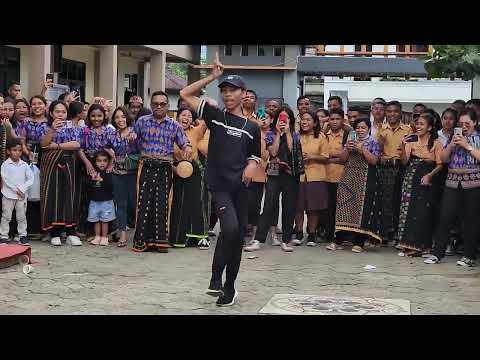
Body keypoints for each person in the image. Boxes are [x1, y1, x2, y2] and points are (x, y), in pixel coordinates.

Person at [180, 54, 261, 306]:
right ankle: (215, 277)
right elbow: (185, 94)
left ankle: (229, 287)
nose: (227, 95)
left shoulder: (252, 127)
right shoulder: (215, 114)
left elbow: (255, 156)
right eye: (224, 90)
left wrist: (251, 165)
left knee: (236, 238)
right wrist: (212, 76)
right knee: (231, 229)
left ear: (243, 94)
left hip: (241, 187)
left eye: (232, 91)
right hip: (219, 184)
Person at [133, 91, 192, 253]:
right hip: (146, 165)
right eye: (155, 103)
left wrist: (187, 148)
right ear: (151, 105)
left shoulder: (175, 125)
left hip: (165, 167)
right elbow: (132, 140)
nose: (159, 106)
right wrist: (130, 138)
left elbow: (184, 143)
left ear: (167, 106)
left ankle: (160, 242)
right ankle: (141, 242)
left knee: (162, 204)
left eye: (162, 104)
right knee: (143, 204)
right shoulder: (142, 121)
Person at [424, 109, 480, 267]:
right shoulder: (452, 137)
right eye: (461, 124)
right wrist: (452, 145)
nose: (463, 126)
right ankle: (437, 253)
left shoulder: (478, 138)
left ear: (474, 123)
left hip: (473, 184)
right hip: (452, 183)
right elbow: (443, 158)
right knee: (445, 217)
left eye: (467, 123)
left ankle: (469, 256)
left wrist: (466, 145)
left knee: (470, 220)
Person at [245, 106, 302, 253]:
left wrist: (287, 131)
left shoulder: (295, 134)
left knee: (289, 207)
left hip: (291, 174)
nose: (283, 120)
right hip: (274, 173)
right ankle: (258, 240)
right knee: (269, 205)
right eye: (281, 118)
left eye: (286, 118)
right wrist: (278, 133)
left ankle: (286, 240)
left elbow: (291, 150)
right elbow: (273, 151)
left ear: (290, 120)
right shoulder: (270, 134)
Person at [396, 112, 443, 257]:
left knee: (422, 211)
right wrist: (403, 146)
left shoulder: (436, 142)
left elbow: (440, 164)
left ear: (429, 127)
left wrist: (429, 175)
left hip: (426, 178)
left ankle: (421, 245)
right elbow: (404, 161)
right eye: (417, 124)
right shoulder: (411, 140)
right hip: (410, 177)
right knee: (407, 209)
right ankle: (406, 243)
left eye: (422, 124)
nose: (418, 126)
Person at [334, 117, 382, 252]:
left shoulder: (372, 142)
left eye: (363, 128)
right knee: (344, 207)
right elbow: (342, 160)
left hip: (365, 178)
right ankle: (338, 240)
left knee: (360, 209)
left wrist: (362, 150)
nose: (360, 130)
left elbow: (374, 161)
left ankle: (359, 243)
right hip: (348, 177)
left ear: (368, 129)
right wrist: (347, 149)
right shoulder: (350, 140)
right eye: (358, 128)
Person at [39, 100, 83, 246]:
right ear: (51, 113)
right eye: (57, 112)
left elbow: (76, 144)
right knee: (53, 196)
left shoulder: (71, 126)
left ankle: (70, 231)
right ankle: (55, 232)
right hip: (51, 166)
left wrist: (57, 146)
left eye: (63, 112)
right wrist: (52, 130)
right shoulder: (45, 126)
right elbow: (44, 145)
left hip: (70, 165)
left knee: (69, 196)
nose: (60, 115)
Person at [169, 107, 208, 249]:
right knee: (178, 204)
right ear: (177, 117)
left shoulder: (196, 131)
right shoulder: (170, 131)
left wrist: (197, 121)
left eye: (189, 116)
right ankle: (179, 237)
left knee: (196, 202)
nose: (186, 118)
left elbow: (208, 121)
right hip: (176, 170)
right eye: (183, 115)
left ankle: (200, 237)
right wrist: (175, 169)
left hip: (194, 170)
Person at [376, 100, 411, 246]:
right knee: (383, 201)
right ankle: (384, 233)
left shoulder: (408, 130)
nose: (392, 114)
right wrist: (381, 142)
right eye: (389, 111)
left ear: (400, 113)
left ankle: (397, 233)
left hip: (400, 167)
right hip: (384, 168)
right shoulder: (381, 129)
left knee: (397, 201)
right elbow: (376, 151)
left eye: (395, 111)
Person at [15, 95, 50, 238]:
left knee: (43, 193)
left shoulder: (50, 123)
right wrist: (27, 153)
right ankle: (27, 229)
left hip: (46, 159)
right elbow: (21, 140)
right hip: (27, 158)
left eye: (40, 103)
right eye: (34, 104)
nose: (37, 106)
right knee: (27, 194)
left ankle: (43, 229)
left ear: (45, 105)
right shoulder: (25, 122)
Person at [294, 110, 329, 246]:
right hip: (299, 176)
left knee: (313, 208)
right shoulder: (296, 136)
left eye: (308, 120)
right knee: (298, 206)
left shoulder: (321, 137)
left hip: (316, 176)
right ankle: (298, 232)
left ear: (315, 123)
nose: (304, 122)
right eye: (303, 119)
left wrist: (312, 157)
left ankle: (312, 234)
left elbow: (326, 157)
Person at [245, 108, 277, 244]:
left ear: (272, 120)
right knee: (254, 204)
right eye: (261, 117)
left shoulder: (274, 134)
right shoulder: (252, 133)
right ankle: (254, 234)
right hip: (256, 174)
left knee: (272, 204)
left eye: (267, 117)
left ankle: (273, 234)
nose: (264, 120)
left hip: (273, 173)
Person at [109, 106, 139, 247]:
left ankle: (140, 232)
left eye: (122, 116)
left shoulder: (135, 132)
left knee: (134, 203)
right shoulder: (112, 134)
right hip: (117, 173)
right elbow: (104, 146)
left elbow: (143, 150)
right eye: (117, 117)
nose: (120, 120)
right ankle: (122, 235)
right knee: (121, 204)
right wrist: (111, 156)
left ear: (127, 117)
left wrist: (133, 142)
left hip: (133, 173)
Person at [0, 139, 34, 245]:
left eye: (19, 150)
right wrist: (17, 190)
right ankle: (3, 236)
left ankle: (22, 236)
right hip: (8, 195)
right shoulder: (5, 165)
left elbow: (30, 179)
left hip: (21, 196)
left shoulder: (24, 165)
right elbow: (6, 179)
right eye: (14, 150)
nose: (17, 152)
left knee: (22, 216)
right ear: (8, 151)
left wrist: (22, 189)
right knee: (6, 217)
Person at [324, 108, 348, 251]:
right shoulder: (323, 135)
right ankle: (328, 236)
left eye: (337, 119)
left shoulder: (347, 135)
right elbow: (322, 155)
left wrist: (331, 158)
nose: (334, 122)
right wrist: (334, 157)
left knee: (342, 208)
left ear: (342, 120)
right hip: (325, 176)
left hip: (342, 176)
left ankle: (341, 237)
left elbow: (346, 158)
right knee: (328, 209)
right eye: (331, 119)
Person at [87, 150, 116, 246]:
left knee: (105, 220)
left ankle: (104, 237)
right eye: (99, 161)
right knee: (96, 220)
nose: (102, 163)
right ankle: (97, 236)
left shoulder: (109, 173)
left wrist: (101, 180)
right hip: (94, 201)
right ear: (95, 162)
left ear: (108, 162)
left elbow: (110, 186)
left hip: (106, 201)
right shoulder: (92, 173)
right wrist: (92, 180)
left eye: (104, 161)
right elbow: (88, 186)